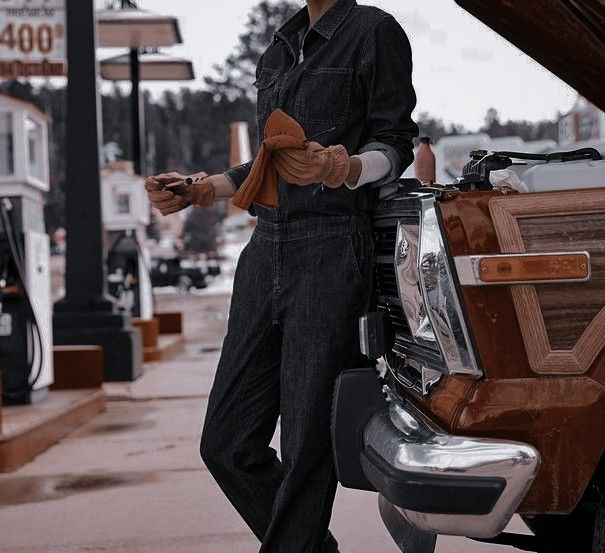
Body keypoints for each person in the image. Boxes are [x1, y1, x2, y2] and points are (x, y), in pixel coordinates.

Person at [144, 1, 418, 551]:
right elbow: (268, 163)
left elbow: (396, 141)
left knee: (304, 448)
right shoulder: (279, 48)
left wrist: (344, 168)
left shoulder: (375, 31)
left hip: (332, 248)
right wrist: (201, 189)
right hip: (264, 249)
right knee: (226, 443)